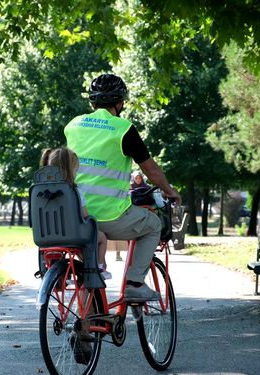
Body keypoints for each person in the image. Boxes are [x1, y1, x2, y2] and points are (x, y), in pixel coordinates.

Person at [64, 73, 181, 302]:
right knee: (153, 225)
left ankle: (86, 328)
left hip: (77, 216)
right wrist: (169, 190)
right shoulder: (124, 129)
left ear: (92, 102)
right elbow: (151, 170)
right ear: (120, 103)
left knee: (90, 266)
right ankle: (135, 283)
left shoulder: (73, 125)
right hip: (112, 216)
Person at [40, 147, 112, 280]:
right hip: (73, 236)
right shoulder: (74, 191)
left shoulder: (40, 191)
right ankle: (99, 268)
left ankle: (60, 276)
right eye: (76, 170)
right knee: (101, 238)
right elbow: (85, 217)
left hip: (46, 237)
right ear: (69, 170)